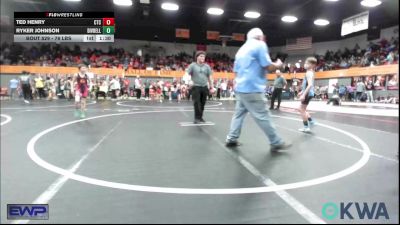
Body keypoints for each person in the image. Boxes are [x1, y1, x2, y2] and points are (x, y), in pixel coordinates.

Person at [225, 28, 291, 151]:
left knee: (238, 115)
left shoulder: (241, 50)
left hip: (241, 88)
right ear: (260, 37)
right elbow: (268, 66)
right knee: (263, 115)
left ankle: (231, 138)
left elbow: (235, 71)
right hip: (253, 88)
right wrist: (278, 64)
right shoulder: (260, 45)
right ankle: (275, 141)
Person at [187, 51, 214, 123]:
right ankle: (196, 118)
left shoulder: (207, 66)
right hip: (196, 87)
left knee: (202, 103)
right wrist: (189, 81)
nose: (203, 58)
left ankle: (200, 117)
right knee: (196, 102)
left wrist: (212, 87)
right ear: (197, 57)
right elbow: (186, 74)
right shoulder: (192, 65)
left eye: (204, 56)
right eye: (201, 56)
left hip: (204, 87)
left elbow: (210, 77)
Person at [297, 57, 317, 133]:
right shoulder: (310, 72)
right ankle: (311, 121)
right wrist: (302, 91)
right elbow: (307, 84)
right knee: (301, 109)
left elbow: (310, 85)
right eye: (305, 63)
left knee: (301, 110)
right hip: (308, 93)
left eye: (307, 63)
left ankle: (306, 127)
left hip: (308, 94)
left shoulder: (309, 73)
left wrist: (303, 95)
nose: (305, 65)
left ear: (312, 65)